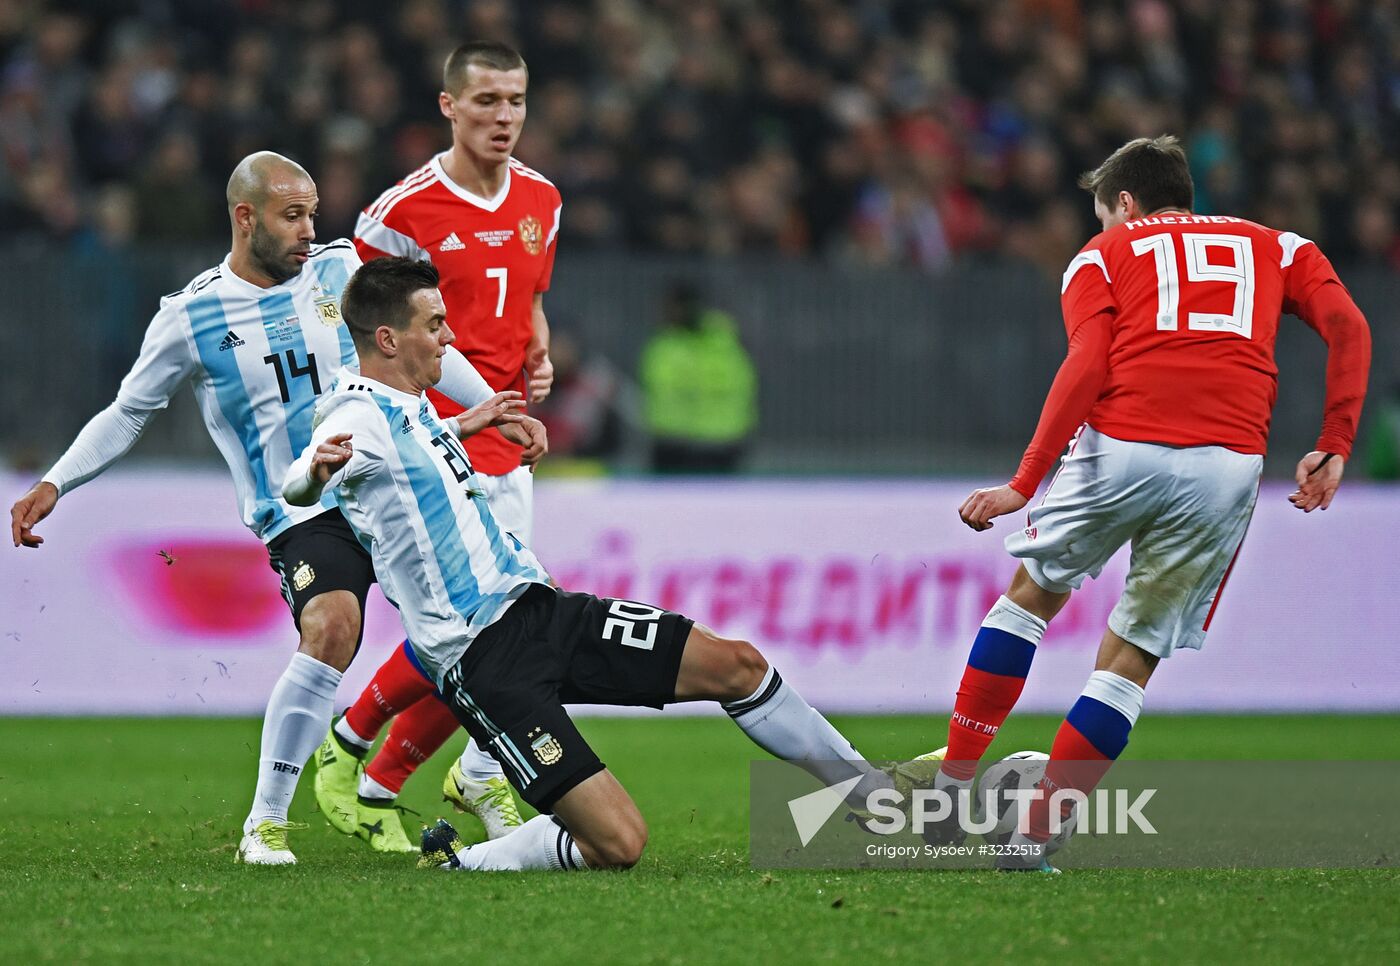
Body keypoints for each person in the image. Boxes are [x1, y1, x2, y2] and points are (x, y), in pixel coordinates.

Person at [7, 151, 542, 865]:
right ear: (245, 217)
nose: (307, 229)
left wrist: (492, 410)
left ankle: (484, 780)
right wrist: (55, 484)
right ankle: (266, 822)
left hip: (392, 484)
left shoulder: (338, 268)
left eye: (312, 213)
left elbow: (422, 342)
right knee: (332, 626)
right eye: (292, 216)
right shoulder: (191, 316)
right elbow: (128, 411)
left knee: (490, 621)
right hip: (302, 508)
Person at [283, 256, 900, 872]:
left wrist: (474, 421)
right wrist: (312, 474)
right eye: (436, 323)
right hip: (486, 663)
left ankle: (869, 798)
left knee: (738, 664)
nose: (450, 336)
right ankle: (462, 862)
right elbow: (305, 478)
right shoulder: (356, 414)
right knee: (618, 844)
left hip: (543, 612)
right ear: (389, 339)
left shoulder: (413, 407)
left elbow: (413, 448)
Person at [931, 136, 1371, 871]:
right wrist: (1334, 437)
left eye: (1103, 214)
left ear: (1125, 205)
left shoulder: (1104, 256)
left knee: (1029, 600)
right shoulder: (1282, 248)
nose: (1101, 228)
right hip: (1226, 464)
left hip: (1122, 444)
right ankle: (1033, 839)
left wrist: (1025, 479)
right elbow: (1349, 326)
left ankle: (947, 789)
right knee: (1130, 658)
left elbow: (1088, 363)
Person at [313, 41, 564, 848]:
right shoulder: (401, 212)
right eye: (486, 101)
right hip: (436, 438)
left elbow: (526, 298)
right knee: (495, 625)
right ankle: (371, 749)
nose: (504, 117)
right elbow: (360, 326)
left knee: (492, 628)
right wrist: (458, 405)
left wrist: (540, 351)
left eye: (516, 101)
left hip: (508, 434)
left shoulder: (542, 198)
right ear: (449, 106)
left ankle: (383, 776)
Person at [639, 280, 758, 474]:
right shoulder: (664, 344)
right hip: (674, 444)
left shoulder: (723, 341)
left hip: (720, 445)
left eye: (672, 306)